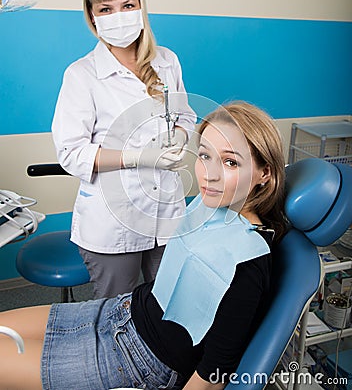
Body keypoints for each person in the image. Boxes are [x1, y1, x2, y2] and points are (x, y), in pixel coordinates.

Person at [0, 102, 287, 390]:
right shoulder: (211, 206)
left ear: (265, 173)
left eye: (230, 162)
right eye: (204, 156)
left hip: (139, 360)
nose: (209, 175)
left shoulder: (248, 261)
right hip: (123, 311)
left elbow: (212, 377)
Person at [51, 0, 196, 298]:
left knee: (170, 306)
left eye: (127, 5)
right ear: (93, 17)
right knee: (117, 315)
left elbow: (186, 116)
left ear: (141, 7)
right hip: (112, 222)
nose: (119, 15)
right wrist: (142, 157)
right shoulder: (81, 74)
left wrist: (180, 139)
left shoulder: (166, 61)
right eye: (107, 8)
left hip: (167, 214)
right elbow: (72, 153)